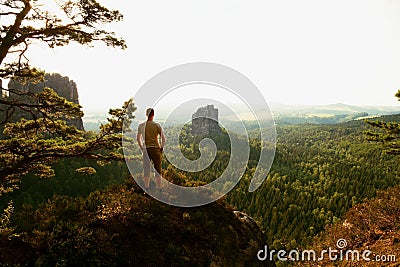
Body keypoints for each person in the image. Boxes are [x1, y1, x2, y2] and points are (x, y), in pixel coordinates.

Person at [136, 108, 166, 192]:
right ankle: (159, 189)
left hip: (146, 150)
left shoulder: (141, 126)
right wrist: (161, 148)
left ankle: (147, 188)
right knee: (158, 169)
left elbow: (138, 139)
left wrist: (142, 148)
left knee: (146, 169)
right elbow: (163, 138)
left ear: (146, 114)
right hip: (156, 149)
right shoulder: (157, 125)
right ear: (153, 115)